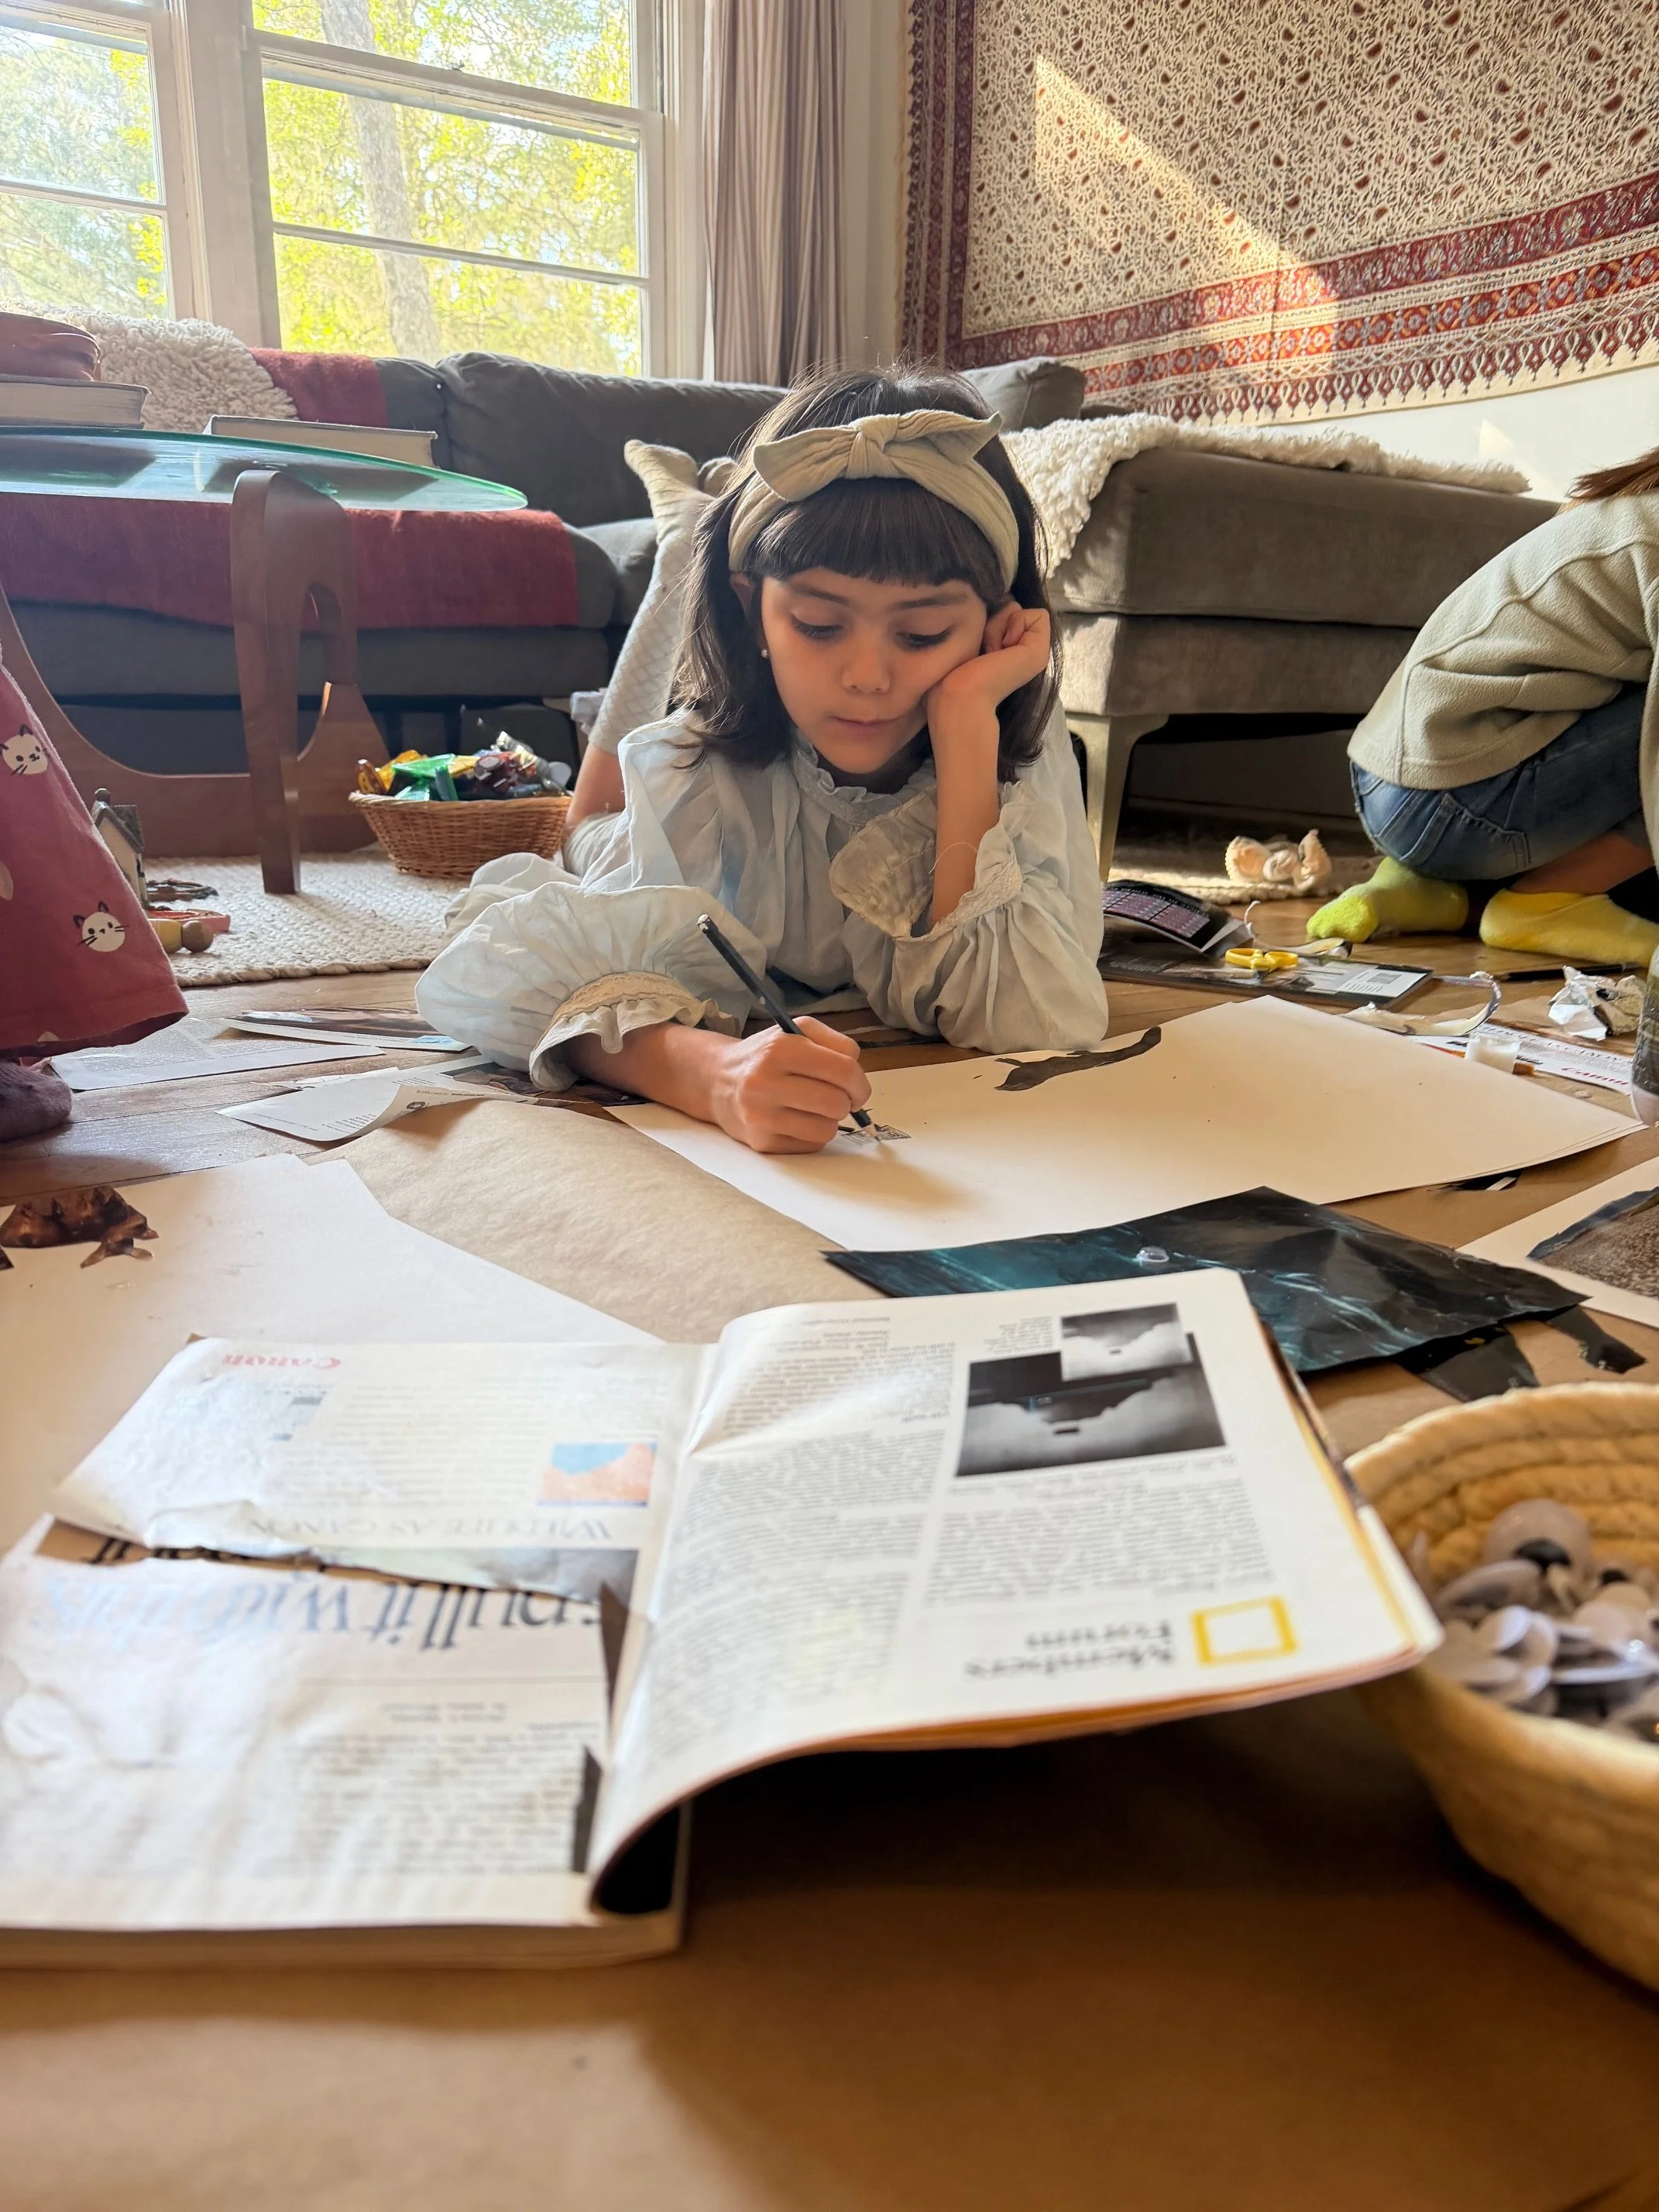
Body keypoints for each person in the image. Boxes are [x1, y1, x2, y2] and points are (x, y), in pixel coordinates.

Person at [417, 368, 1109, 1154]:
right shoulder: (697, 780)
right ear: (752, 610)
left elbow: (1030, 1020)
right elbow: (501, 969)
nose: (868, 677)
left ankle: (700, 521)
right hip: (705, 762)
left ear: (994, 628)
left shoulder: (998, 734)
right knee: (589, 826)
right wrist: (710, 1073)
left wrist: (964, 731)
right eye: (818, 624)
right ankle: (688, 534)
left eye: (921, 635)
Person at [1310, 447, 1659, 964]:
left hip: (1390, 787)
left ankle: (1428, 888)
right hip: (1452, 805)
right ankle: (1547, 903)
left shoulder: (1637, 508)